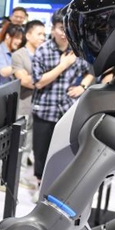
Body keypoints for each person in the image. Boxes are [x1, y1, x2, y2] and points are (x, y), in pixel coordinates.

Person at [30, 10, 94, 193]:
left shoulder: (78, 50)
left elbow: (91, 71)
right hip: (44, 110)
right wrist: (63, 65)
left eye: (67, 28)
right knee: (41, 152)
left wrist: (82, 86)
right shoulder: (43, 50)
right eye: (60, 28)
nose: (64, 33)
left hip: (68, 111)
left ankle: (58, 189)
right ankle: (40, 187)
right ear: (53, 29)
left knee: (65, 152)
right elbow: (39, 82)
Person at [9, 20, 45, 191]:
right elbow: (23, 80)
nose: (42, 38)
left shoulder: (45, 53)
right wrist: (46, 80)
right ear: (28, 35)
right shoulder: (19, 55)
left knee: (29, 144)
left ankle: (20, 176)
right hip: (22, 105)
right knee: (18, 144)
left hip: (40, 107)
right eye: (39, 34)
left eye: (44, 34)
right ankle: (11, 178)